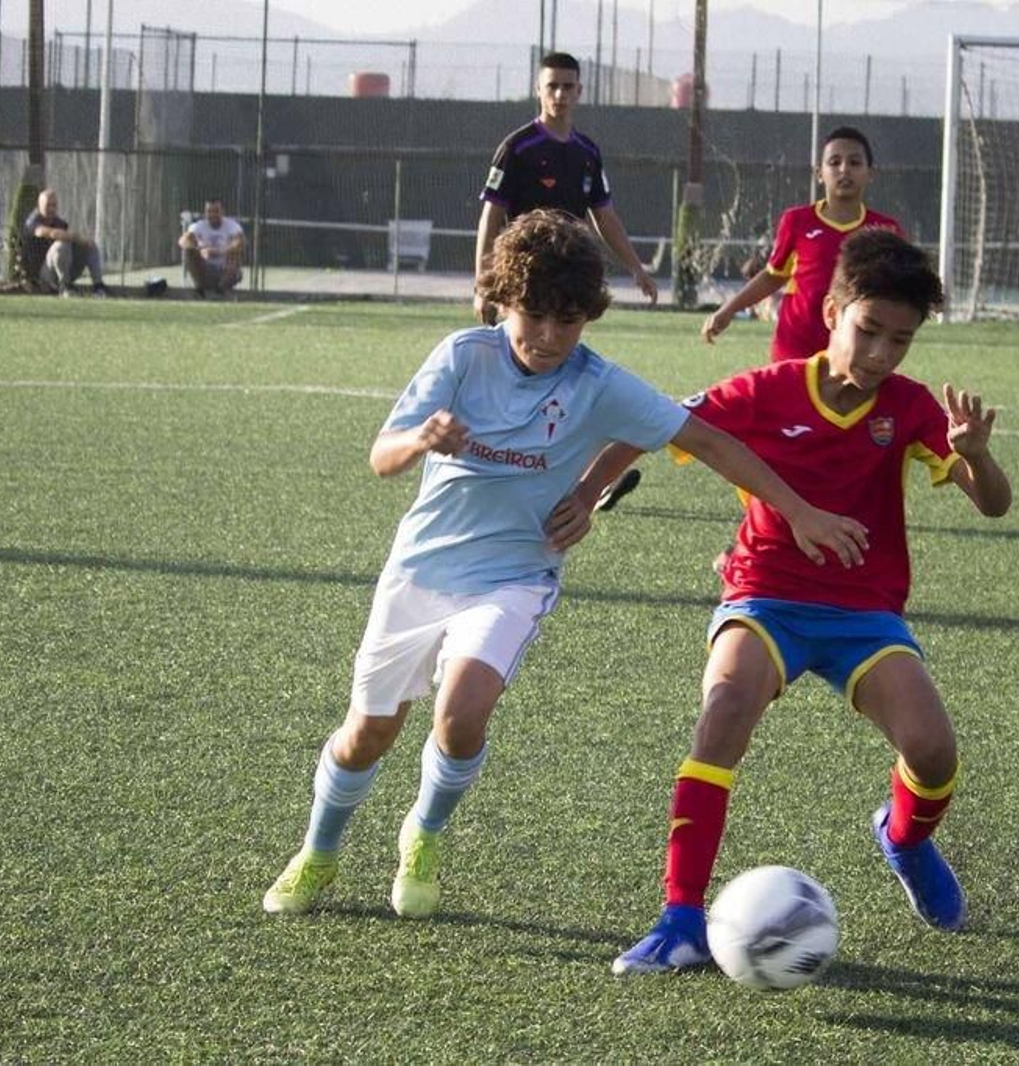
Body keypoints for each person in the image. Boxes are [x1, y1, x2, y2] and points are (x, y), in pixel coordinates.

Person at [261, 209, 868, 920]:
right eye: (536, 316)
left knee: (461, 715)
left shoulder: (597, 383)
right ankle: (319, 851)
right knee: (368, 734)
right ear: (503, 300)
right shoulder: (463, 357)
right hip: (420, 574)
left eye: (569, 320)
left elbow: (707, 440)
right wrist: (422, 438)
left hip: (515, 577)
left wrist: (796, 510)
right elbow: (381, 457)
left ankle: (422, 832)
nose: (549, 336)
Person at [598, 229, 1013, 976]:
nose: (881, 354)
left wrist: (977, 457)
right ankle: (681, 917)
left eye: (900, 340)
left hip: (864, 612)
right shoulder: (767, 391)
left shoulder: (911, 407)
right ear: (830, 313)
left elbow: (994, 505)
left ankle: (904, 840)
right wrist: (581, 496)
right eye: (868, 330)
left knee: (933, 751)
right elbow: (651, 422)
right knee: (723, 709)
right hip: (766, 596)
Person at [473, 52, 658, 328]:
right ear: (538, 89)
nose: (560, 94)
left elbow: (605, 216)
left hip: (571, 272)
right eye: (552, 86)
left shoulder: (587, 152)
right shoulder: (517, 148)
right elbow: (491, 215)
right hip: (525, 269)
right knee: (525, 345)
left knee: (562, 346)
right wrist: (482, 284)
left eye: (568, 87)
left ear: (579, 91)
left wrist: (636, 268)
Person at [701, 127, 903, 361]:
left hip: (855, 353)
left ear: (870, 173)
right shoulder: (796, 221)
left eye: (855, 162)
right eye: (834, 162)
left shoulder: (886, 230)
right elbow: (773, 276)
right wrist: (728, 310)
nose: (844, 169)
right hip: (795, 349)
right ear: (819, 173)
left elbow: (900, 286)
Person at [21, 188, 109, 297]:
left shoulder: (60, 223)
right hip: (42, 276)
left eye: (54, 205)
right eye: (48, 205)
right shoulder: (32, 221)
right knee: (62, 243)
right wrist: (77, 237)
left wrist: (85, 242)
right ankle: (65, 288)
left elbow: (70, 241)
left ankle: (99, 287)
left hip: (62, 271)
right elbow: (50, 233)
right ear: (39, 206)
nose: (51, 209)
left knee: (89, 245)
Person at [179, 198, 246, 298]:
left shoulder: (232, 225)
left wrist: (219, 252)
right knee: (188, 251)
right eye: (209, 211)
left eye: (216, 211)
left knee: (235, 252)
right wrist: (200, 249)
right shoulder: (198, 226)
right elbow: (183, 241)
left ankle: (220, 290)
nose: (212, 215)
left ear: (222, 212)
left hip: (226, 271)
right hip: (205, 271)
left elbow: (240, 242)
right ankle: (200, 289)